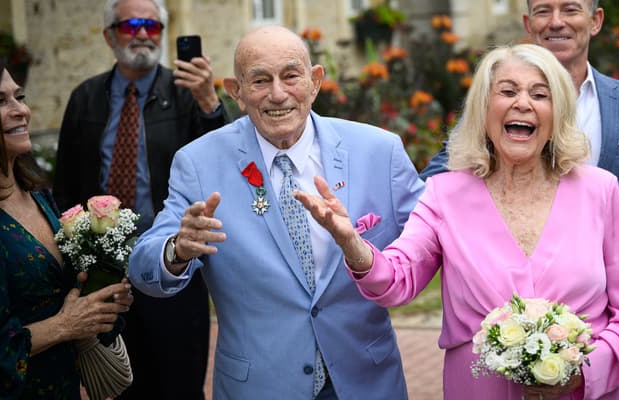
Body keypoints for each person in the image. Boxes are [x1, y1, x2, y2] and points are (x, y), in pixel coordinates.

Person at [296, 43, 619, 400]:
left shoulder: (599, 190)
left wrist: (581, 374)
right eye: (508, 91)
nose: (523, 103)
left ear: (557, 113)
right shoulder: (443, 194)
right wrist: (352, 245)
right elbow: (396, 280)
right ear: (483, 110)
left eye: (540, 94)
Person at [128, 25, 424, 399]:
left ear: (315, 81)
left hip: (366, 381)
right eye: (260, 81)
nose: (278, 94)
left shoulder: (379, 151)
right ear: (236, 92)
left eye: (290, 76)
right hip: (260, 386)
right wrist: (177, 249)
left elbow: (434, 240)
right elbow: (143, 268)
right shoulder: (199, 163)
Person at [420, 0, 619, 394]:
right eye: (544, 10)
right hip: (504, 337)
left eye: (571, 9)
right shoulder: (501, 104)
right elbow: (444, 178)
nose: (556, 22)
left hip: (607, 328)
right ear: (528, 24)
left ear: (595, 21)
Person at [52, 0, 228, 398]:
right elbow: (64, 188)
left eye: (153, 25)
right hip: (105, 277)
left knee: (180, 386)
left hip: (174, 267)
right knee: (117, 387)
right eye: (131, 24)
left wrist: (208, 103)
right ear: (109, 34)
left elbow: (224, 161)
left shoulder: (185, 95)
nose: (144, 33)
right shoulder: (85, 98)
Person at [0, 46, 133, 398]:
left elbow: (61, 291)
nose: (22, 111)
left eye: (19, 96)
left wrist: (100, 298)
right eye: (0, 102)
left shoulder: (38, 195)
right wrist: (64, 325)